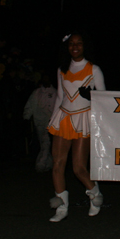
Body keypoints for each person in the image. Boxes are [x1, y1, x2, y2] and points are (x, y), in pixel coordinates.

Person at [47, 33, 105, 221]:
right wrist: (52, 121)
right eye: (71, 44)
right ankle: (61, 207)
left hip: (83, 120)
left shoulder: (94, 69)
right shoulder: (61, 69)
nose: (75, 46)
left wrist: (92, 97)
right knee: (57, 164)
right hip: (63, 118)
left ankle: (95, 195)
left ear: (84, 46)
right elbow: (59, 96)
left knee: (78, 167)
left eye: (79, 43)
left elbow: (104, 99)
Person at [23, 73, 57, 173]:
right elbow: (30, 104)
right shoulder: (37, 92)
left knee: (46, 142)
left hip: (50, 122)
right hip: (39, 122)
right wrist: (26, 116)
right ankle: (49, 163)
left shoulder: (54, 92)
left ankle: (41, 164)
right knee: (44, 143)